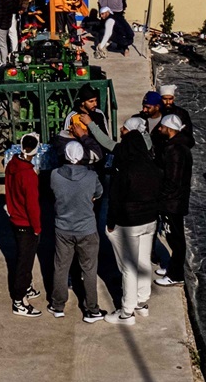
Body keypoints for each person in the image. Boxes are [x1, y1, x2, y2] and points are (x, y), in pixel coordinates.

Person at [107, 115, 162, 324]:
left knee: (128, 268)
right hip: (150, 221)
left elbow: (115, 198)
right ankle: (141, 302)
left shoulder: (125, 170)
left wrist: (111, 223)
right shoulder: (153, 167)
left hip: (129, 222)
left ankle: (126, 312)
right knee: (143, 262)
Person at [47, 139, 107, 322]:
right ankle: (91, 309)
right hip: (86, 229)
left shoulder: (55, 175)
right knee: (89, 269)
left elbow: (52, 193)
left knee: (61, 267)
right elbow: (99, 193)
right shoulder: (91, 177)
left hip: (63, 228)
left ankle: (57, 305)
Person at [3, 132, 43, 316]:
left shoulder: (12, 164)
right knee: (24, 264)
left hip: (14, 219)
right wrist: (37, 228)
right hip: (26, 224)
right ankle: (19, 301)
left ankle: (26, 288)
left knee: (22, 258)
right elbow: (32, 205)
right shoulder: (29, 175)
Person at [153, 113, 192, 286]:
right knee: (174, 237)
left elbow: (172, 179)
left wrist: (162, 198)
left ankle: (176, 274)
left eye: (162, 127)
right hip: (175, 200)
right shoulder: (180, 146)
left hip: (172, 202)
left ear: (169, 129)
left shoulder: (174, 150)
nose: (159, 129)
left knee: (175, 238)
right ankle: (173, 267)